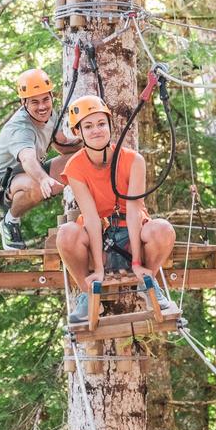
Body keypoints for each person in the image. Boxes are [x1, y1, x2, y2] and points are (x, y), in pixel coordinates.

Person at [56, 95, 177, 323]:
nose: (96, 131)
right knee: (66, 234)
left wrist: (137, 264)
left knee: (162, 229)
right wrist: (99, 269)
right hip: (99, 238)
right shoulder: (75, 167)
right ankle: (89, 293)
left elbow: (133, 211)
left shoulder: (134, 160)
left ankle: (147, 283)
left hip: (132, 236)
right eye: (88, 126)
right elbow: (91, 218)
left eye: (101, 124)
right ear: (79, 132)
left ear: (110, 126)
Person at [0, 68, 80, 249]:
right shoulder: (20, 127)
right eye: (34, 102)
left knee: (79, 160)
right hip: (1, 184)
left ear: (52, 96)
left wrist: (90, 142)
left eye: (46, 99)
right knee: (35, 184)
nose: (42, 106)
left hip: (30, 172)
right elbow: (28, 159)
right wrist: (44, 179)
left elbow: (62, 144)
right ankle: (10, 221)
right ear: (23, 103)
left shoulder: (50, 114)